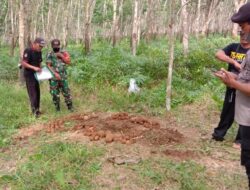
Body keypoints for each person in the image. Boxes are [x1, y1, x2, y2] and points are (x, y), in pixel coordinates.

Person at [215, 2, 250, 188]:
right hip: (242, 105)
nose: (242, 32)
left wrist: (233, 82)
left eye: (243, 26)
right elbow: (218, 53)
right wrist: (234, 72)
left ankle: (238, 139)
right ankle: (220, 134)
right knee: (229, 112)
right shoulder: (235, 47)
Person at [212, 36, 250, 144]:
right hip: (231, 85)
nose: (244, 37)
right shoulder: (233, 47)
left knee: (245, 112)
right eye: (241, 34)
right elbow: (218, 54)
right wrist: (233, 62)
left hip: (245, 87)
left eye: (246, 35)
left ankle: (240, 140)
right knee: (227, 111)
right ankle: (218, 135)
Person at [46, 39, 73, 111]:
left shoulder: (64, 53)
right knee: (54, 94)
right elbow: (48, 65)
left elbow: (68, 62)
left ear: (59, 45)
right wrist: (55, 74)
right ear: (52, 46)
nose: (56, 47)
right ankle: (57, 109)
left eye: (57, 45)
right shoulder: (49, 54)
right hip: (53, 78)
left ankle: (70, 108)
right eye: (54, 45)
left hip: (63, 77)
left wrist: (61, 56)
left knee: (66, 92)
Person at [21, 37, 45, 118]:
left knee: (37, 92)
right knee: (33, 93)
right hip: (29, 74)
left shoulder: (39, 52)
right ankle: (34, 112)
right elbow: (24, 63)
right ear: (34, 44)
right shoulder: (28, 50)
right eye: (40, 46)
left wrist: (40, 69)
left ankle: (37, 110)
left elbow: (39, 62)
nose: (41, 48)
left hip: (36, 75)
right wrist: (34, 68)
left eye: (42, 46)